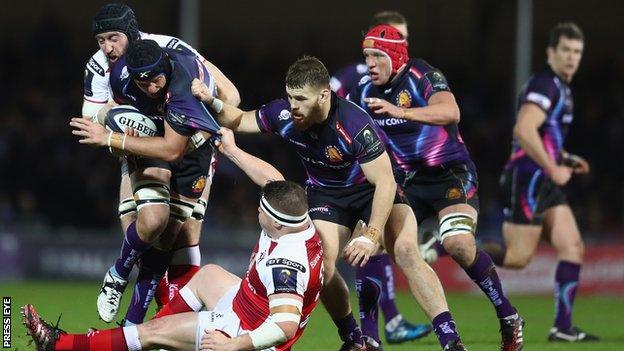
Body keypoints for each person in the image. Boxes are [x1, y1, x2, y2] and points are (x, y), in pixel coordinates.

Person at [191, 56, 468, 351]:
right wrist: (212, 101)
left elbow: (385, 183)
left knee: (406, 250)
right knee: (321, 266)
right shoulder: (285, 115)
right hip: (327, 195)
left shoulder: (354, 123)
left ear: (324, 95)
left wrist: (371, 234)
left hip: (370, 190)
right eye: (289, 97)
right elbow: (240, 119)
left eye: (300, 99)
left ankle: (450, 340)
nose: (293, 105)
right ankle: (352, 338)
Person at [22, 129, 324, 351]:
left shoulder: (286, 263)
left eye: (262, 209)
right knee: (208, 275)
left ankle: (57, 344)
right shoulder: (297, 216)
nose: (257, 208)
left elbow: (284, 326)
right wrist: (230, 148)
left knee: (151, 333)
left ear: (275, 221)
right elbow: (274, 182)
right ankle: (142, 338)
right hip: (246, 302)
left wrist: (233, 344)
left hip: (244, 331)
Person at [349, 24, 524, 350]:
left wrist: (400, 111)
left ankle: (508, 316)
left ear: (395, 55)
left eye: (376, 55)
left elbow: (450, 110)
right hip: (405, 183)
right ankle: (370, 340)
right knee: (369, 241)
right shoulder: (362, 90)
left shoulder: (422, 75)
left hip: (449, 175)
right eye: (366, 56)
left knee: (457, 244)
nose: (370, 63)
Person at [83, 3, 240, 320]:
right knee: (145, 226)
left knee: (182, 233)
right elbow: (93, 119)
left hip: (193, 143)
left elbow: (233, 97)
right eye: (101, 40)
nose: (107, 48)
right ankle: (133, 296)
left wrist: (209, 101)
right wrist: (119, 132)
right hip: (144, 145)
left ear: (129, 31)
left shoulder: (172, 50)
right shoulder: (100, 67)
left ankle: (165, 317)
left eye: (113, 38)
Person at [481, 22, 598, 342]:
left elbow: (545, 137)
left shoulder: (562, 88)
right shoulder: (545, 85)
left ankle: (562, 326)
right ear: (551, 52)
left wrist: (564, 158)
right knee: (519, 258)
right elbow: (524, 129)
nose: (572, 57)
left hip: (543, 177)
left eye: (577, 52)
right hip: (528, 178)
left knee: (572, 246)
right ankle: (457, 247)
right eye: (566, 50)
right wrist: (553, 166)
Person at [331, 11, 431, 347]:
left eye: (404, 39)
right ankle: (378, 328)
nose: (402, 46)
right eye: (395, 38)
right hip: (361, 171)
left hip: (398, 172)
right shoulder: (354, 79)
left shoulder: (409, 80)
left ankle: (386, 326)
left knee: (382, 245)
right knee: (371, 242)